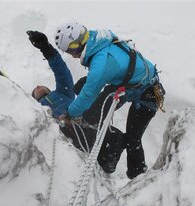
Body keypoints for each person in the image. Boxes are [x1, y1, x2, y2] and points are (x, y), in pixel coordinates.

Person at [53, 22, 166, 179]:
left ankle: (137, 176)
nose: (72, 56)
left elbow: (88, 94)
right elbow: (114, 65)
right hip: (129, 84)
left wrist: (69, 114)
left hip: (147, 95)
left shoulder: (101, 63)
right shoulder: (99, 39)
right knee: (92, 113)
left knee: (133, 139)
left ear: (75, 47)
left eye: (70, 52)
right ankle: (110, 142)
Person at [26, 30, 125, 174]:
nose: (37, 86)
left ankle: (105, 166)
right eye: (35, 90)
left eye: (41, 85)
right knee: (97, 137)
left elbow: (61, 71)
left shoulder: (63, 93)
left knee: (117, 135)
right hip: (63, 129)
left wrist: (46, 48)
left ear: (50, 90)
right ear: (33, 99)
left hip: (81, 121)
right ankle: (100, 161)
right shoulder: (35, 107)